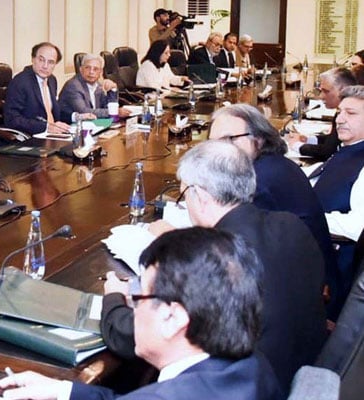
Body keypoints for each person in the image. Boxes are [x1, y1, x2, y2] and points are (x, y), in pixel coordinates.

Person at [104, 141, 326, 393]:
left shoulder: (220, 261)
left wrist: (112, 299)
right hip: (300, 371)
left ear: (201, 196)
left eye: (184, 194)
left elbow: (135, 336)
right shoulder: (290, 224)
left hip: (244, 387)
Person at [0, 227, 284, 400]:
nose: (133, 306)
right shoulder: (254, 368)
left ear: (173, 318)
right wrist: (62, 391)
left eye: (139, 296)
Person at [209, 104, 340, 318]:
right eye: (214, 143)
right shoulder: (274, 166)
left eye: (230, 139)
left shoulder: (260, 182)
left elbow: (233, 253)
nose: (220, 150)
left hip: (306, 303)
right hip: (305, 283)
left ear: (258, 139)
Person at [311, 85, 364, 302]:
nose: (339, 120)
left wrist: (304, 215)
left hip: (334, 275)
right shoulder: (348, 149)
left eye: (350, 114)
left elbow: (356, 227)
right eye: (339, 112)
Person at [286, 67, 356, 161]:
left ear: (343, 90)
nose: (321, 96)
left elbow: (328, 151)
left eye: (326, 91)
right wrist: (308, 139)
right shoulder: (343, 110)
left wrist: (296, 145)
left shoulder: (351, 115)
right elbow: (334, 140)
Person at [3, 42, 70, 134]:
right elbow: (12, 119)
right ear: (33, 59)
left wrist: (76, 116)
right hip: (28, 138)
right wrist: (45, 127)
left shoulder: (51, 80)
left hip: (50, 135)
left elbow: (51, 112)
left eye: (51, 62)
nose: (45, 66)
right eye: (41, 60)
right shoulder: (20, 82)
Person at [58, 53, 130, 123]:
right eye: (87, 68)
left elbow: (107, 107)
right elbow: (84, 112)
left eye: (95, 69)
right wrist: (114, 112)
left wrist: (113, 89)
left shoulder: (98, 85)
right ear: (81, 69)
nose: (91, 72)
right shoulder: (73, 86)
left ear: (101, 72)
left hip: (93, 125)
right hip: (71, 127)